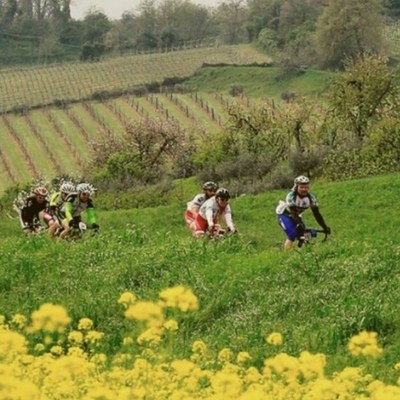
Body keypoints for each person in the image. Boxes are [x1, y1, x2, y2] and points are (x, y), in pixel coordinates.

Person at [276, 175, 331, 249]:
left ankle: (301, 252)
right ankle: (286, 254)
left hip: (297, 215)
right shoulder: (291, 196)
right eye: (301, 187)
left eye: (306, 187)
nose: (304, 189)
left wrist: (324, 226)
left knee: (303, 235)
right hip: (284, 214)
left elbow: (317, 214)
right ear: (296, 187)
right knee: (292, 234)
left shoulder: (311, 198)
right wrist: (299, 224)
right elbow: (293, 212)